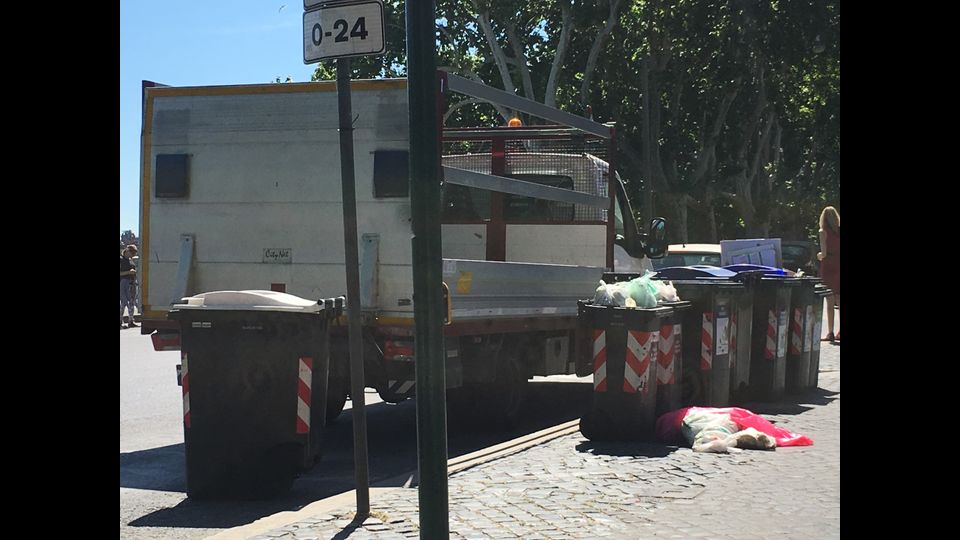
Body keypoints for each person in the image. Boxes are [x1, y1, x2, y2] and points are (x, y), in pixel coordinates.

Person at [816, 206, 840, 342]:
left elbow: (823, 253)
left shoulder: (822, 231)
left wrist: (818, 256)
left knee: (829, 300)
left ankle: (830, 332)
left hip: (829, 265)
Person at [120, 244, 139, 328]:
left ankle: (131, 320)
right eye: (132, 253)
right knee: (123, 302)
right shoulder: (121, 260)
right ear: (127, 251)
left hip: (132, 282)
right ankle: (120, 320)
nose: (133, 255)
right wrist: (128, 272)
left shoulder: (131, 260)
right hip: (123, 282)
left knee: (131, 302)